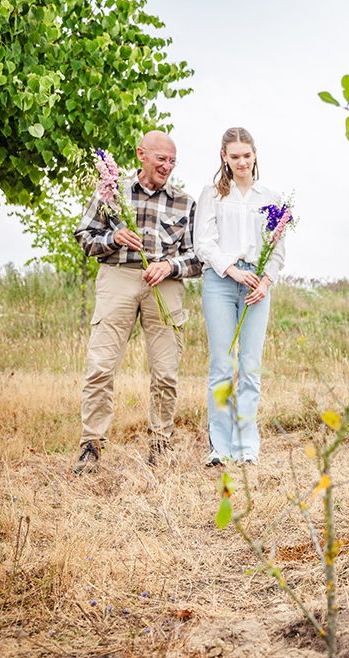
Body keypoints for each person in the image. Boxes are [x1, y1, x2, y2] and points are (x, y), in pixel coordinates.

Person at [73, 130, 201, 473]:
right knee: (100, 366)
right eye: (161, 158)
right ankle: (91, 445)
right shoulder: (111, 193)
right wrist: (113, 237)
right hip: (118, 277)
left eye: (173, 161)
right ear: (141, 154)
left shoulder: (185, 202)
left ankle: (161, 444)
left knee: (166, 371)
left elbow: (198, 258)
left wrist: (169, 265)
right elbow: (84, 238)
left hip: (165, 284)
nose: (167, 166)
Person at [195, 127, 285, 467]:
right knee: (222, 364)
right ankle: (221, 446)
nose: (242, 162)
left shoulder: (270, 196)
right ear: (224, 157)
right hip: (221, 280)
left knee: (250, 366)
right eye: (235, 157)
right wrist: (232, 270)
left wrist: (266, 280)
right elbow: (203, 243)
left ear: (255, 154)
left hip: (256, 285)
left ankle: (247, 445)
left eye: (247, 155)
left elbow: (278, 249)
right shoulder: (213, 194)